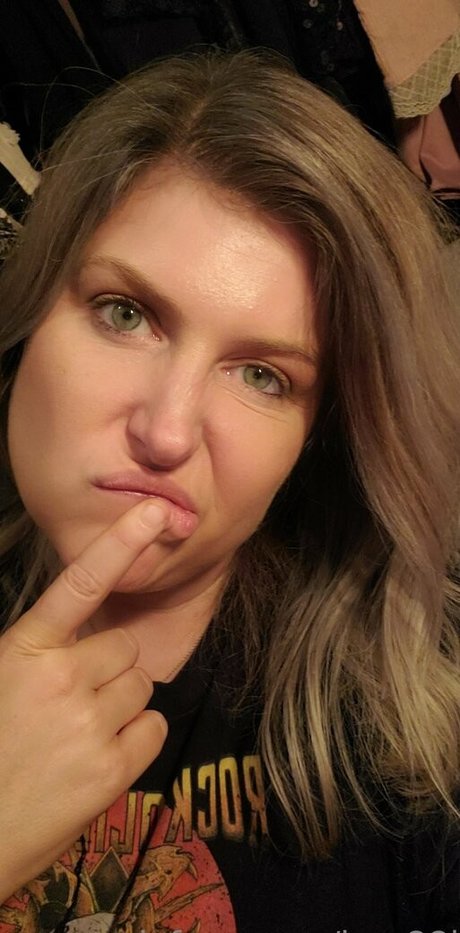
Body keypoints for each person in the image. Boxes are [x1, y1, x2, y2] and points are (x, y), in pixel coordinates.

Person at [0, 49, 458, 933]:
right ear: (32, 307)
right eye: (126, 313)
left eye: (262, 376)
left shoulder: (408, 747)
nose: (167, 432)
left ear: (317, 438)